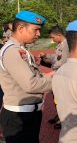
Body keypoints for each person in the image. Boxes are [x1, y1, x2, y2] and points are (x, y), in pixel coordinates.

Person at [0, 10, 53, 143]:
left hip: (28, 114)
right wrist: (58, 80)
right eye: (36, 30)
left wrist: (47, 75)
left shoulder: (21, 49)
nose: (39, 34)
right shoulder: (12, 51)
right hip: (19, 118)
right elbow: (31, 84)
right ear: (21, 28)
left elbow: (33, 76)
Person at [38, 25, 69, 129]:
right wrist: (45, 56)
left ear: (59, 35)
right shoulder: (60, 44)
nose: (52, 39)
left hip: (63, 75)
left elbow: (63, 62)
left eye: (53, 37)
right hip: (58, 73)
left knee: (61, 98)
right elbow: (56, 57)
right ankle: (59, 115)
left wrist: (52, 72)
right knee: (56, 96)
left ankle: (63, 119)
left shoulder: (66, 46)